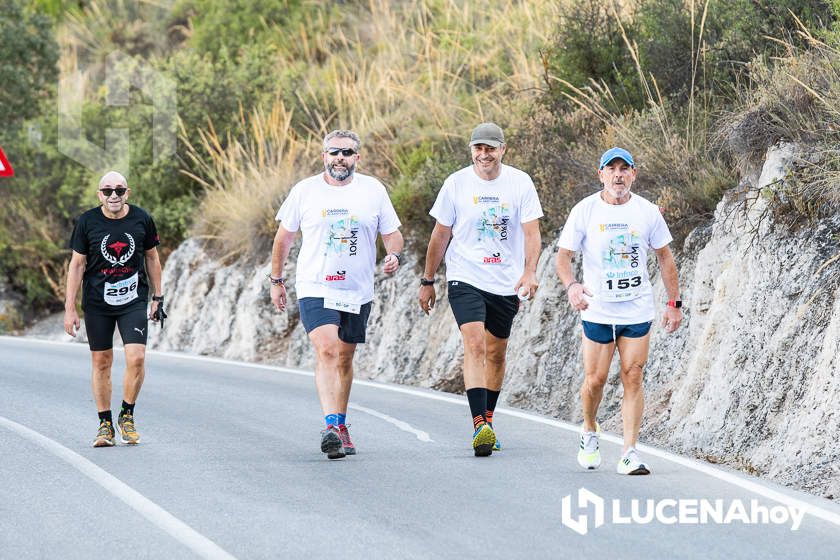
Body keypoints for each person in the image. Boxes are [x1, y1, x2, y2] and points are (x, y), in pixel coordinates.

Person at [270, 130, 404, 460]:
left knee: (345, 357)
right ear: (324, 157)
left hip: (356, 290)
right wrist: (276, 280)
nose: (339, 158)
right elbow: (283, 240)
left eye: (347, 152)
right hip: (316, 286)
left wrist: (394, 255)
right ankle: (330, 426)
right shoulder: (305, 191)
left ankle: (341, 424)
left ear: (357, 157)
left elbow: (393, 234)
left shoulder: (373, 190)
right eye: (334, 152)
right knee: (327, 349)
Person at [555, 147, 683, 475]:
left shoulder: (647, 212)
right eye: (611, 169)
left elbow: (665, 257)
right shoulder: (585, 211)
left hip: (636, 310)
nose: (618, 175)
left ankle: (629, 452)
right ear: (601, 175)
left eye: (624, 169)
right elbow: (563, 257)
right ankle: (589, 429)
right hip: (597, 310)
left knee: (633, 375)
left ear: (634, 174)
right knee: (595, 380)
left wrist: (673, 304)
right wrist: (572, 287)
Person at [418, 122, 543, 457]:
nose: (484, 155)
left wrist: (530, 272)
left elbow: (532, 233)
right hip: (465, 276)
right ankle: (479, 426)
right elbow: (440, 235)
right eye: (478, 148)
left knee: (496, 352)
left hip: (505, 281)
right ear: (471, 150)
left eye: (490, 148)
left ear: (503, 149)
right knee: (474, 343)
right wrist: (428, 280)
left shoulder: (520, 183)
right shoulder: (456, 184)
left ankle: (489, 418)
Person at [64, 171, 164, 448]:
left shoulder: (141, 219)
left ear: (127, 193)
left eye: (119, 190)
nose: (114, 196)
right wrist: (69, 307)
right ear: (100, 195)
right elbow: (77, 265)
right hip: (97, 303)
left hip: (132, 300)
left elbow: (152, 258)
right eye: (107, 191)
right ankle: (105, 424)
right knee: (102, 362)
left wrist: (158, 297)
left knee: (137, 357)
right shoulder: (87, 222)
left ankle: (127, 416)